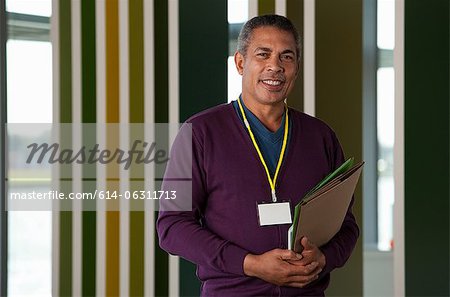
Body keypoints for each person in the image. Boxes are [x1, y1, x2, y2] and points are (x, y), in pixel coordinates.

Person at [157, 14, 359, 296]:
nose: (274, 66)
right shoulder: (199, 132)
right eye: (263, 54)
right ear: (241, 63)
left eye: (286, 57)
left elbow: (347, 226)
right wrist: (249, 264)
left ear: (296, 68)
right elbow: (172, 227)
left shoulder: (321, 137)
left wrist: (324, 258)